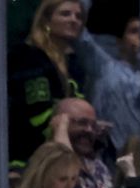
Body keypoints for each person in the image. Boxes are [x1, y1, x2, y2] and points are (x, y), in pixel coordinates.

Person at [7, 0, 87, 167]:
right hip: (29, 158)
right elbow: (37, 116)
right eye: (65, 14)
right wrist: (78, 124)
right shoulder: (30, 57)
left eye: (78, 16)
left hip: (61, 153)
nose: (74, 20)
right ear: (45, 21)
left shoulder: (74, 63)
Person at [77, 15, 140, 153]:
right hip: (103, 148)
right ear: (119, 41)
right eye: (134, 31)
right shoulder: (103, 66)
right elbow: (82, 38)